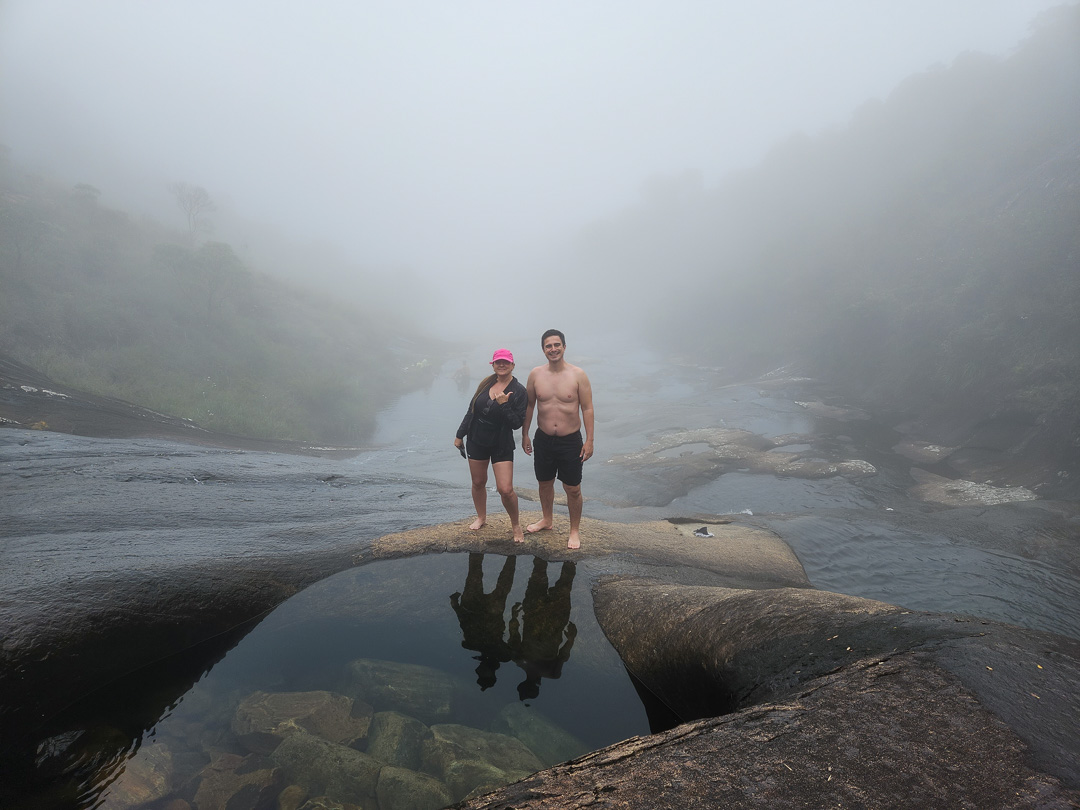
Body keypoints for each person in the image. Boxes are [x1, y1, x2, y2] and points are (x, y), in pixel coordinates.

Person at [521, 329, 594, 549]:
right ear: (543, 350)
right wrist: (524, 434)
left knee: (573, 488)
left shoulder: (578, 374)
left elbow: (587, 408)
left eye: (556, 345)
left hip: (570, 440)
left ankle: (574, 531)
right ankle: (547, 519)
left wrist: (589, 440)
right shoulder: (535, 374)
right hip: (543, 439)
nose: (553, 349)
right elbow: (530, 405)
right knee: (544, 483)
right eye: (548, 346)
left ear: (564, 346)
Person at [454, 349, 528, 542]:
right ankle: (481, 517)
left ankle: (516, 525)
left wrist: (504, 404)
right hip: (477, 438)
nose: (501, 365)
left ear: (512, 365)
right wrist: (459, 434)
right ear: (493, 365)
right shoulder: (486, 383)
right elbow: (472, 410)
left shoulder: (519, 390)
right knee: (478, 482)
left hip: (501, 442)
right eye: (498, 362)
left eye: (505, 362)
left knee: (505, 489)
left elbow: (516, 423)